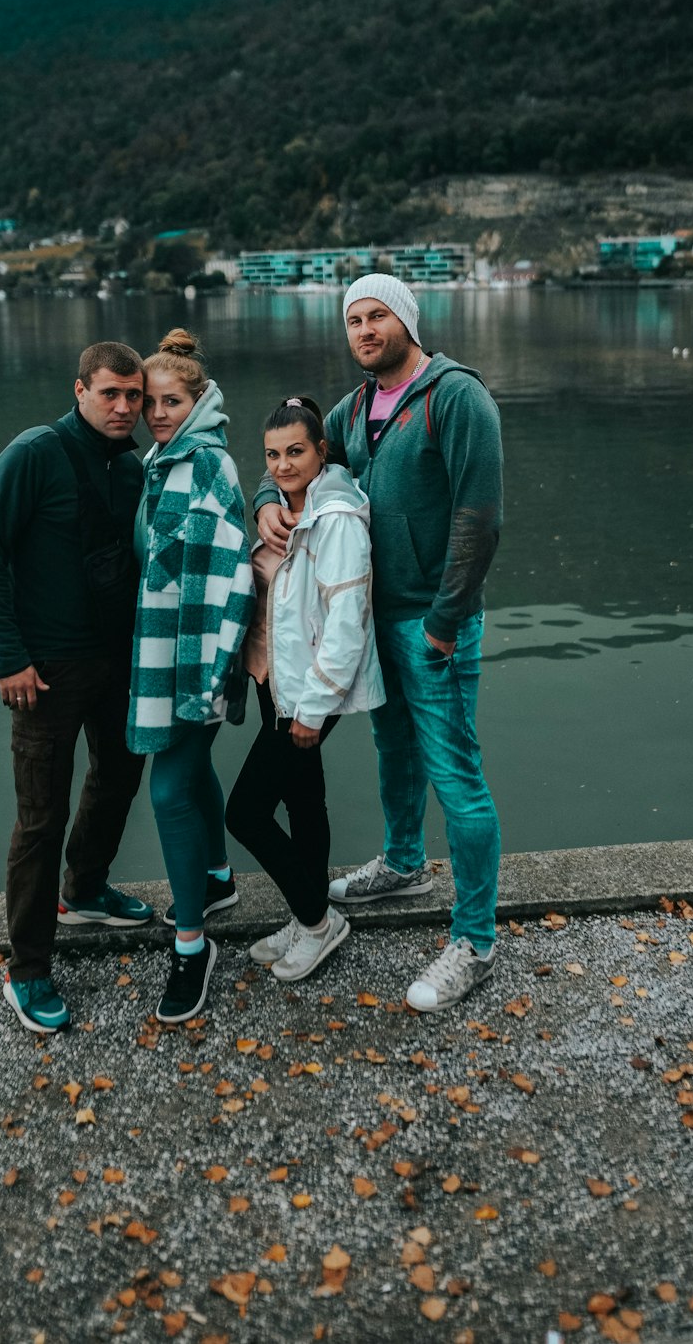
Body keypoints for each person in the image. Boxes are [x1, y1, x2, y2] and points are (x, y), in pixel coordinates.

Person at [255, 276, 503, 1013]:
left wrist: (444, 621)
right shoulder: (356, 407)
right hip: (372, 618)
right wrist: (268, 499)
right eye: (354, 319)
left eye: (377, 315)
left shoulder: (457, 398)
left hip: (431, 622)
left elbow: (478, 519)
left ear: (407, 319)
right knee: (393, 751)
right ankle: (402, 863)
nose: (364, 329)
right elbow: (298, 456)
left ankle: (476, 939)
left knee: (455, 772)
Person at [0, 341, 151, 1034]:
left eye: (133, 395)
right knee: (40, 816)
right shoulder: (35, 453)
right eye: (110, 393)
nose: (124, 407)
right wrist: (9, 658)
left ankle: (85, 886)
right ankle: (29, 969)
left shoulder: (131, 468)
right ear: (80, 390)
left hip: (116, 662)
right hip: (44, 670)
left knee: (121, 773)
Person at [227, 395, 385, 981]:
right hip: (277, 678)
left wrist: (313, 709)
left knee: (243, 812)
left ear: (323, 450)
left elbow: (348, 623)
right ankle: (305, 914)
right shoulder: (286, 507)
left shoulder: (336, 517)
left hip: (308, 691)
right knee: (301, 800)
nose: (282, 465)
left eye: (296, 451)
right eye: (272, 455)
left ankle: (319, 923)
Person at [128, 329, 254, 1024]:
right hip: (173, 656)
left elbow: (225, 580)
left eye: (170, 400)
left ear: (200, 398)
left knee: (169, 787)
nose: (157, 412)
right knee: (191, 770)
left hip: (195, 660)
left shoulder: (203, 464)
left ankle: (191, 945)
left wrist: (209, 677)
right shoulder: (163, 459)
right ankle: (215, 877)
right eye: (151, 402)